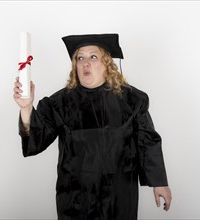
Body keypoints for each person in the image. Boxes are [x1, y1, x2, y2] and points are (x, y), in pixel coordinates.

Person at [13, 33, 172, 220]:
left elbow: (147, 141)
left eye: (93, 57)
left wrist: (159, 182)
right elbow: (35, 143)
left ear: (107, 64)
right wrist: (26, 109)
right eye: (80, 58)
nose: (85, 63)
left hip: (119, 197)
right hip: (75, 198)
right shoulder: (58, 104)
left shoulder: (132, 100)